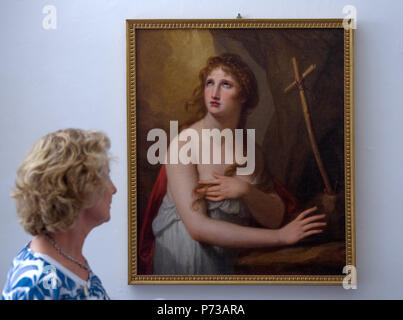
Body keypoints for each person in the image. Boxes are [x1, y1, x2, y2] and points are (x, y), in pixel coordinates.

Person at [144, 53, 326, 275]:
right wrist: (280, 237)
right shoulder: (184, 145)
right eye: (210, 83)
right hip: (187, 256)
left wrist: (247, 191)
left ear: (243, 96)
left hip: (226, 256)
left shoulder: (251, 151)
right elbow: (197, 228)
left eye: (226, 85)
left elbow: (273, 218)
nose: (215, 93)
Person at [2, 128, 116, 300]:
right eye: (106, 177)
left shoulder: (71, 259)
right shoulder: (36, 282)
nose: (114, 189)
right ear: (80, 187)